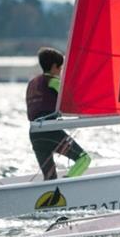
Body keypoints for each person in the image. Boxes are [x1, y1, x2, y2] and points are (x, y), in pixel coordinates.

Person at [26, 47, 90, 180]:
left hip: (34, 135)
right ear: (55, 67)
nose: (61, 72)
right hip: (50, 131)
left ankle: (55, 194)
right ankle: (66, 185)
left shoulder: (32, 83)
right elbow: (73, 102)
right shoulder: (54, 81)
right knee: (84, 159)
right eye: (60, 69)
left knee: (50, 178)